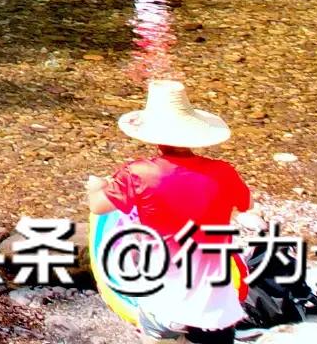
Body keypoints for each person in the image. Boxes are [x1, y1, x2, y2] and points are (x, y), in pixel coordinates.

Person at [85, 78, 252, 342]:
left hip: (163, 305)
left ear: (154, 137)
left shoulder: (138, 173)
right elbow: (245, 205)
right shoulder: (224, 172)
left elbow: (99, 206)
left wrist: (95, 185)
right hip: (215, 308)